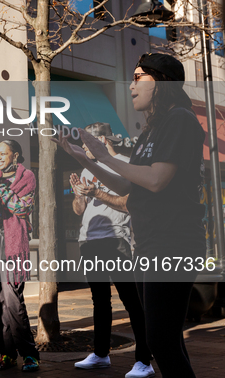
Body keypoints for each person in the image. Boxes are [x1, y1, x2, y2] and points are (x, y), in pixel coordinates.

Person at [54, 53, 206, 378]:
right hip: (149, 245)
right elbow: (127, 185)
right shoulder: (150, 130)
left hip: (174, 243)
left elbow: (155, 179)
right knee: (164, 339)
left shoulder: (179, 119)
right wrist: (85, 157)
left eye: (139, 77)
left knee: (161, 339)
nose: (131, 85)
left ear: (161, 82)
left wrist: (102, 154)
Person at [69, 123, 153, 378]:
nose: (84, 148)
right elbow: (79, 210)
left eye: (87, 143)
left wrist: (97, 193)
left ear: (102, 140)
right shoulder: (86, 169)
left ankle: (144, 360)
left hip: (116, 240)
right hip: (89, 241)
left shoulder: (124, 163)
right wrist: (79, 197)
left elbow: (129, 205)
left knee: (132, 301)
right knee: (99, 301)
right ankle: (101, 354)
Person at [0, 140, 40, 373]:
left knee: (13, 300)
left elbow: (22, 208)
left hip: (12, 242)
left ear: (16, 155)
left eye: (3, 153)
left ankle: (29, 354)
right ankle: (7, 353)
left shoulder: (26, 176)